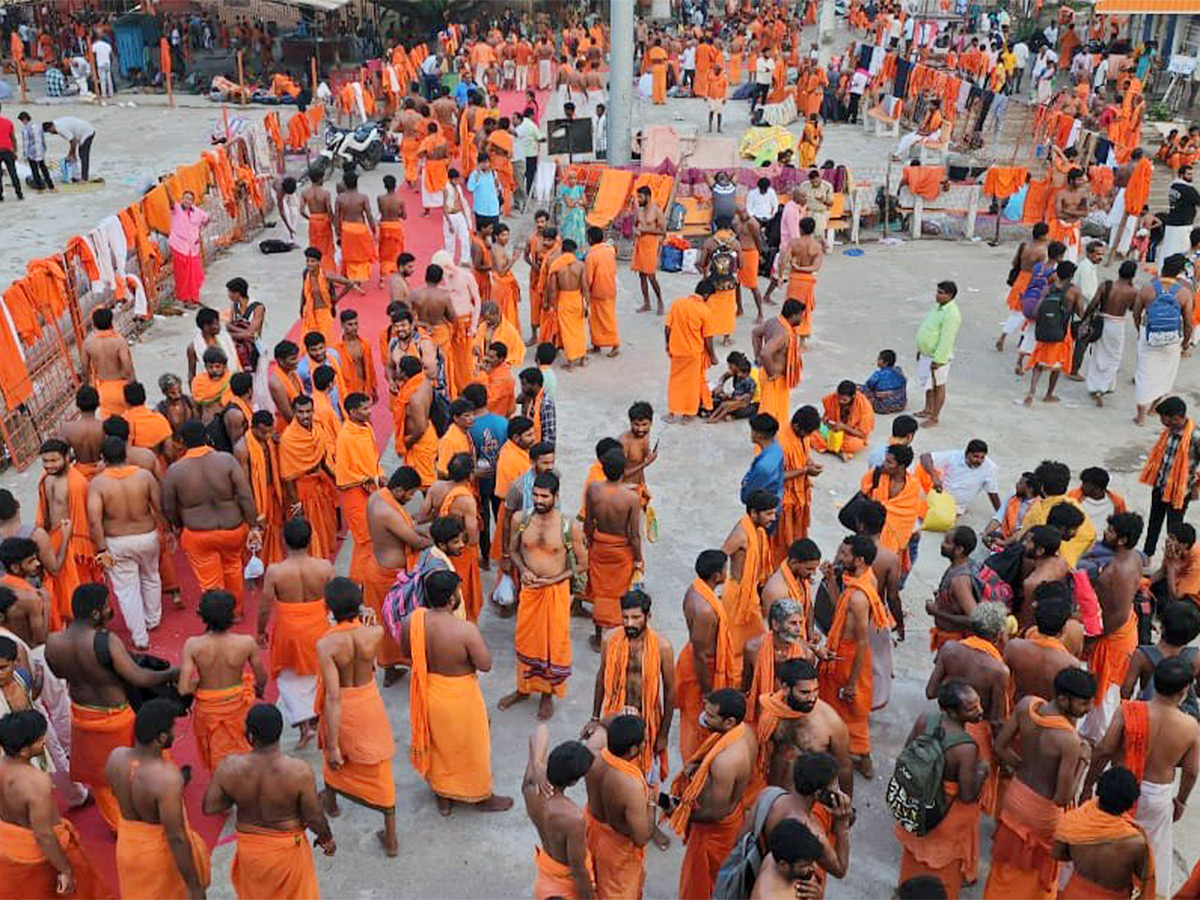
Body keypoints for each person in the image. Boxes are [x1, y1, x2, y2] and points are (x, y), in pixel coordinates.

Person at [401, 568, 513, 816]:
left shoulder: (412, 621)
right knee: (473, 746)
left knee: (441, 745)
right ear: (451, 599)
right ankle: (482, 796)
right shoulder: (465, 630)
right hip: (461, 696)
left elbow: (407, 652)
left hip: (429, 692)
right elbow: (485, 664)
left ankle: (444, 795)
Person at [1084, 656, 1198, 897]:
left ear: (1155, 682)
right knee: (1150, 853)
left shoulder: (1128, 711)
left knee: (1108, 840)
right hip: (1158, 797)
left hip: (1120, 791)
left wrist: (1087, 785)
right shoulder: (1190, 726)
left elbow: (1104, 749)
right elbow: (1191, 771)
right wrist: (1181, 801)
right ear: (1185, 689)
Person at [202, 703, 335, 899]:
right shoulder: (298, 771)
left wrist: (238, 794)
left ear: (250, 735)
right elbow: (314, 817)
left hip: (251, 852)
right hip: (287, 851)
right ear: (279, 731)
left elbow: (210, 806)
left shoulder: (229, 767)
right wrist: (326, 838)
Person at [985, 666, 1096, 898]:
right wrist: (1084, 762)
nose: (1088, 709)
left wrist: (1021, 767)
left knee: (1006, 866)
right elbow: (1062, 798)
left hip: (1015, 796)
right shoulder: (1069, 741)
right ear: (1064, 699)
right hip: (1042, 815)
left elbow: (1000, 747)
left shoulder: (1028, 706)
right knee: (1033, 876)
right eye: (1084, 703)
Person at [316, 578, 398, 856]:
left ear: (328, 607)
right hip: (368, 702)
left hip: (344, 706)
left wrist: (332, 744)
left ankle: (331, 803)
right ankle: (392, 838)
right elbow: (372, 648)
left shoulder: (326, 645)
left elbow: (333, 696)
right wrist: (369, 618)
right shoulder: (373, 633)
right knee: (379, 766)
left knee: (335, 759)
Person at [500, 472, 586, 721]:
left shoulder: (569, 527)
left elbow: (582, 564)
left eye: (544, 496)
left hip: (555, 592)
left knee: (552, 644)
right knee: (526, 641)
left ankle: (547, 695)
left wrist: (554, 579)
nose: (538, 500)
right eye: (536, 494)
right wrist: (524, 570)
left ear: (555, 496)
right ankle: (523, 689)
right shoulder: (521, 519)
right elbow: (513, 551)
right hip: (529, 591)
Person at [894, 680, 989, 898]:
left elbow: (905, 754)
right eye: (971, 708)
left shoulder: (925, 720)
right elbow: (967, 795)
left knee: (912, 861)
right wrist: (982, 772)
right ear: (952, 712)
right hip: (945, 816)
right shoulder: (966, 747)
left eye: (978, 704)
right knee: (941, 874)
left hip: (918, 803)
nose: (979, 711)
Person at [107, 700, 210, 898]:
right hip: (157, 859)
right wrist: (195, 887)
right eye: (173, 729)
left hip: (127, 847)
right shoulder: (167, 778)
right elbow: (176, 837)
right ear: (161, 738)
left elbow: (114, 792)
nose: (175, 732)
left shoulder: (115, 757)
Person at [0, 709, 107, 898]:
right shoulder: (37, 782)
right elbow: (44, 835)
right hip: (41, 852)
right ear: (24, 750)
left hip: (9, 846)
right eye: (40, 739)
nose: (44, 741)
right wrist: (65, 870)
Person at [669, 688, 756, 900]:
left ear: (729, 722)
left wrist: (681, 812)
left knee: (700, 885)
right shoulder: (745, 732)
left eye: (710, 716)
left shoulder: (724, 761)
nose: (704, 718)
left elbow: (716, 812)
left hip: (715, 831)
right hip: (733, 813)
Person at [162, 420, 261, 605]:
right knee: (233, 569)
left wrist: (178, 525)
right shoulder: (226, 460)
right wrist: (254, 524)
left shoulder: (175, 471)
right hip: (232, 529)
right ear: (207, 438)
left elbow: (168, 507)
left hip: (198, 533)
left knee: (210, 582)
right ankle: (236, 612)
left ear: (182, 442)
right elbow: (245, 495)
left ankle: (218, 618)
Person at [819, 535, 890, 777]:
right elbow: (840, 607)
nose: (839, 558)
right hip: (842, 653)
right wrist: (830, 580)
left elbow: (862, 642)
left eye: (844, 555)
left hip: (849, 659)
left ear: (859, 560)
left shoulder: (859, 596)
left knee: (852, 709)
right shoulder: (861, 579)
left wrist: (851, 683)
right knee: (839, 707)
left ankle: (860, 757)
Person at [177, 590, 266, 774]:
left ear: (202, 615)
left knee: (216, 758)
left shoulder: (193, 645)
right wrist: (259, 689)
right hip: (238, 706)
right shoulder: (246, 643)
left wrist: (205, 686)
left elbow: (184, 688)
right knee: (243, 750)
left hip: (208, 711)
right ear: (232, 616)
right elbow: (262, 677)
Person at [85, 437, 160, 649]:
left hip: (117, 541)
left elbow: (94, 519)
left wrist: (101, 549)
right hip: (147, 535)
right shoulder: (144, 476)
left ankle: (140, 637)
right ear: (126, 455)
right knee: (151, 575)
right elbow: (159, 505)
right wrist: (167, 531)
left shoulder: (98, 483)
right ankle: (153, 620)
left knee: (127, 590)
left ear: (103, 458)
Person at [1053, 767, 1155, 899]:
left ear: (1098, 792)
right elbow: (1146, 881)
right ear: (1131, 804)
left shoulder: (1073, 821)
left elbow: (1058, 854)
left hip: (1072, 894)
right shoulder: (1136, 843)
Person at [523, 726, 596, 899]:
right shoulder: (573, 818)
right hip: (566, 888)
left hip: (546, 880)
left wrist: (536, 764)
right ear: (572, 782)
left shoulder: (530, 786)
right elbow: (578, 871)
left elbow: (539, 730)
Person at [582, 450, 642, 652]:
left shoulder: (593, 489)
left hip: (600, 545)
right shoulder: (631, 498)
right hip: (621, 548)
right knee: (619, 592)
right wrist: (638, 558)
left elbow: (589, 522)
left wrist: (590, 542)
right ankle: (619, 634)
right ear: (624, 471)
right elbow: (634, 534)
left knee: (600, 592)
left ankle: (599, 637)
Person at [1132, 255, 1193, 426]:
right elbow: (1188, 324)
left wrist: (1140, 330)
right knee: (1165, 375)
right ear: (1180, 272)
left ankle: (1140, 416)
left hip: (1149, 336)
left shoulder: (1147, 288)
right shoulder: (1184, 293)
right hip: (1172, 340)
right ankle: (1153, 408)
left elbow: (1136, 313)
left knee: (1144, 374)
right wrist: (1185, 344)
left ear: (1163, 268)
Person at [1138, 396, 1200, 556]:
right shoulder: (1168, 432)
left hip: (1180, 491)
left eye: (1164, 418)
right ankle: (1147, 554)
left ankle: (1171, 559)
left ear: (1176, 417)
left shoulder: (1195, 436)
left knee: (1173, 528)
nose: (1162, 422)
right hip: (1161, 485)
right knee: (1154, 522)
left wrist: (1196, 486)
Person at [722, 490, 777, 663]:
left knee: (755, 641)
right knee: (733, 645)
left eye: (774, 513)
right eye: (768, 513)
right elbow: (719, 557)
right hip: (736, 598)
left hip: (750, 595)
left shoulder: (758, 532)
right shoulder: (741, 534)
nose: (773, 518)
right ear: (753, 513)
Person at [1003, 589, 1083, 701]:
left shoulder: (1013, 647)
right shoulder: (1071, 664)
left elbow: (1002, 682)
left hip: (1017, 710)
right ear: (1063, 630)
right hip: (1048, 715)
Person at [1084, 260, 1138, 406]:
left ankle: (1094, 386)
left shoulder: (1106, 285)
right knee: (1114, 357)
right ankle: (1104, 386)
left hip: (1102, 320)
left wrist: (1085, 318)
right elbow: (1133, 309)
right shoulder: (1132, 291)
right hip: (1118, 324)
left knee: (1097, 353)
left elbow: (1093, 303)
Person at [664, 279, 716, 423]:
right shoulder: (705, 311)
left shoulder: (678, 303)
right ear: (705, 295)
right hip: (693, 353)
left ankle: (672, 413)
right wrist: (713, 356)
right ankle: (688, 414)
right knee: (691, 384)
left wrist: (667, 344)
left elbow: (668, 327)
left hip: (677, 350)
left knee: (675, 381)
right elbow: (708, 338)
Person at [915, 281, 962, 426]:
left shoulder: (952, 314)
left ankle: (935, 417)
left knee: (938, 385)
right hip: (926, 353)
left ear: (950, 295)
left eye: (941, 293)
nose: (937, 295)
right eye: (937, 292)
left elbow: (946, 338)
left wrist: (939, 359)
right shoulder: (938, 307)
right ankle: (928, 409)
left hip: (938, 357)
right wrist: (921, 349)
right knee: (928, 385)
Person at [752, 300, 804, 428]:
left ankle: (778, 442)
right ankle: (765, 446)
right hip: (774, 380)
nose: (802, 318)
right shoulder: (783, 333)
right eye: (801, 315)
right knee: (769, 416)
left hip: (774, 377)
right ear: (794, 315)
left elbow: (755, 333)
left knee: (779, 415)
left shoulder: (774, 321)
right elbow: (766, 353)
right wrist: (771, 374)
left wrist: (757, 356)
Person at [919, 440, 1000, 515]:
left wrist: (1000, 515)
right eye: (976, 456)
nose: (979, 461)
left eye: (982, 457)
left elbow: (992, 493)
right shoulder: (955, 456)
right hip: (939, 495)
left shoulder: (990, 468)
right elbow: (925, 457)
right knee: (919, 468)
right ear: (967, 454)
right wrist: (934, 477)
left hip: (957, 506)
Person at [81, 307, 134, 418]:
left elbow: (85, 372)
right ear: (111, 322)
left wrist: (85, 390)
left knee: (108, 425)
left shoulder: (88, 343)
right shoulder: (119, 342)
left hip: (103, 391)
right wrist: (133, 385)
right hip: (121, 388)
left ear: (94, 324)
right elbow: (127, 368)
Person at [167, 191, 210, 305]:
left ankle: (194, 297)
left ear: (192, 201)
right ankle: (186, 299)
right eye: (185, 198)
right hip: (179, 246)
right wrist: (166, 186)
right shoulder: (176, 209)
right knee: (182, 275)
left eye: (190, 199)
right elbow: (171, 200)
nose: (187, 201)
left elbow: (206, 219)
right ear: (182, 199)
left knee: (195, 273)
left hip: (192, 248)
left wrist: (200, 229)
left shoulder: (197, 212)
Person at [585, 227, 619, 357]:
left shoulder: (591, 255)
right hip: (610, 287)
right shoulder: (610, 250)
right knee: (605, 317)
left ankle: (615, 344)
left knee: (600, 319)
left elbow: (588, 278)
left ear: (590, 239)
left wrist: (585, 291)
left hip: (597, 291)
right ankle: (597, 344)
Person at [632, 186, 665, 315]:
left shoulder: (656, 210)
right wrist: (635, 231)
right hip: (640, 244)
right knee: (641, 275)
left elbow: (662, 230)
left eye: (640, 197)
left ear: (648, 197)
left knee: (651, 275)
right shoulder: (639, 210)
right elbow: (635, 225)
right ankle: (646, 303)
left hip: (651, 245)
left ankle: (660, 301)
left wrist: (645, 231)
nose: (638, 199)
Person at [375, 174, 407, 290]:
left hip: (384, 227)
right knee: (397, 252)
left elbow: (381, 212)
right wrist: (396, 213)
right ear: (395, 185)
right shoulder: (399, 200)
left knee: (384, 252)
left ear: (385, 186)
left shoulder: (380, 198)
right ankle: (399, 275)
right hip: (395, 227)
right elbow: (404, 216)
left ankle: (382, 278)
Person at [43, 117, 95, 182]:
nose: (52, 133)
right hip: (82, 132)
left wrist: (71, 154)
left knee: (83, 155)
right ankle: (79, 176)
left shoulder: (59, 128)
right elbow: (72, 141)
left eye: (50, 131)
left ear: (51, 127)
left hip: (87, 132)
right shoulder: (56, 124)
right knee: (80, 154)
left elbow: (73, 141)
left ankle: (84, 179)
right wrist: (72, 154)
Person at [863, 349, 908, 415]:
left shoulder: (878, 374)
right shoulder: (898, 370)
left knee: (859, 389)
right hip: (901, 405)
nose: (877, 361)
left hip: (884, 406)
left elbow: (868, 385)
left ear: (885, 363)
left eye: (879, 359)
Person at [16, 111, 51, 193]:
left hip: (32, 153)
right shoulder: (38, 126)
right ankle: (51, 186)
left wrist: (25, 155)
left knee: (35, 171)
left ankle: (40, 188)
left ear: (24, 119)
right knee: (44, 168)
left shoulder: (25, 129)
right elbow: (43, 140)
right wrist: (44, 149)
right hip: (40, 152)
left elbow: (26, 143)